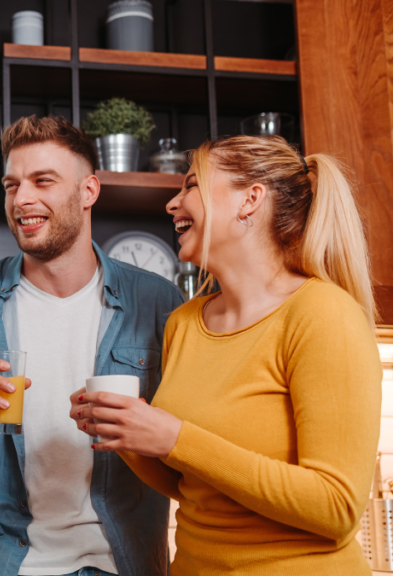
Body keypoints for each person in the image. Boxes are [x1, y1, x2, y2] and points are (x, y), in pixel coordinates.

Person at [71, 135, 382, 574]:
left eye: (192, 185)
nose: (172, 204)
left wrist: (176, 437)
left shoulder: (323, 314)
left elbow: (337, 508)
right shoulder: (184, 323)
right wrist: (128, 437)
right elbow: (196, 487)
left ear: (250, 200)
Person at [0, 115, 185, 576]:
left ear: (89, 191)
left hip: (122, 563)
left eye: (43, 181)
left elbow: (186, 441)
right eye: (12, 185)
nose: (23, 199)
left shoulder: (157, 302)